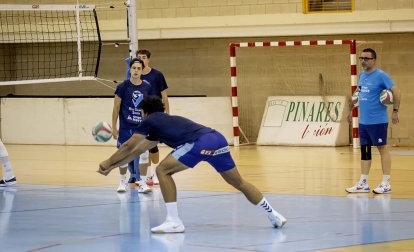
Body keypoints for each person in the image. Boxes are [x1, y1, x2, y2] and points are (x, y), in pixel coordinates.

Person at [98, 96, 287, 233]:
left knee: (162, 170)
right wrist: (111, 167)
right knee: (239, 183)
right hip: (217, 139)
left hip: (199, 142)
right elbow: (137, 151)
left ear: (144, 112)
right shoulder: (161, 123)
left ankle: (174, 221)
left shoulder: (151, 120)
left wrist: (106, 162)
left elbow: (129, 145)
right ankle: (274, 215)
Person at [346, 48, 401, 194]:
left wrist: (395, 111)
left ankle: (386, 183)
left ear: (374, 60)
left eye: (366, 58)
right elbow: (358, 93)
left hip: (378, 121)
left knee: (382, 148)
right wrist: (351, 110)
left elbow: (397, 91)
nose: (363, 61)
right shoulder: (362, 76)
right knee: (365, 150)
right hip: (364, 122)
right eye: (361, 58)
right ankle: (363, 183)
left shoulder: (381, 76)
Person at [126, 49, 170, 186]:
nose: (141, 59)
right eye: (139, 57)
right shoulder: (134, 76)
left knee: (153, 146)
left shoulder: (157, 75)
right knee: (141, 146)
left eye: (144, 57)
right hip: (139, 116)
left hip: (155, 114)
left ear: (148, 59)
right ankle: (146, 175)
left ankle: (155, 174)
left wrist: (167, 114)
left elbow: (165, 96)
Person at [112, 58, 152, 193]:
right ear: (130, 70)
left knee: (144, 155)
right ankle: (122, 181)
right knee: (123, 155)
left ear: (142, 71)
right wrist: (114, 127)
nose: (136, 71)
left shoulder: (147, 86)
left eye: (138, 68)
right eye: (133, 68)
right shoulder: (123, 86)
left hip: (141, 128)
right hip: (125, 128)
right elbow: (116, 107)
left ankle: (141, 181)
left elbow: (148, 108)